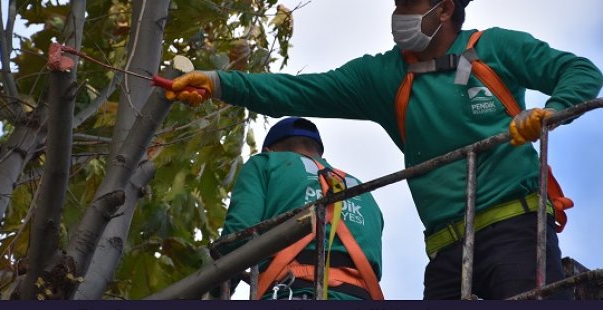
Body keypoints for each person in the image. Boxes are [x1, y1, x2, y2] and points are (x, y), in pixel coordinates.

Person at [168, 0, 603, 299]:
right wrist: (219, 81)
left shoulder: (494, 47)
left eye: (409, 5)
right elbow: (300, 89)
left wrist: (552, 112)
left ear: (445, 8)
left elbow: (579, 70)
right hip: (446, 250)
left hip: (517, 227)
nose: (398, 16)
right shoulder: (384, 76)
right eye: (395, 5)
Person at [218, 117, 385, 300]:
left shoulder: (266, 163)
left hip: (292, 292)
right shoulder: (363, 191)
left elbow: (237, 236)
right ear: (319, 153)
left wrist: (215, 291)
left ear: (269, 150)